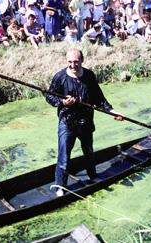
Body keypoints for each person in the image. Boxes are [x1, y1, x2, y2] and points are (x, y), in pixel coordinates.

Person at [45, 48, 123, 197]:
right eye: (69, 62)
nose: (73, 65)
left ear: (82, 60)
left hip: (86, 121)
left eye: (76, 62)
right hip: (67, 122)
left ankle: (93, 177)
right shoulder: (60, 77)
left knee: (88, 152)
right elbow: (49, 96)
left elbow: (99, 98)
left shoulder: (89, 76)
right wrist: (62, 102)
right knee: (64, 156)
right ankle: (60, 186)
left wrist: (112, 112)